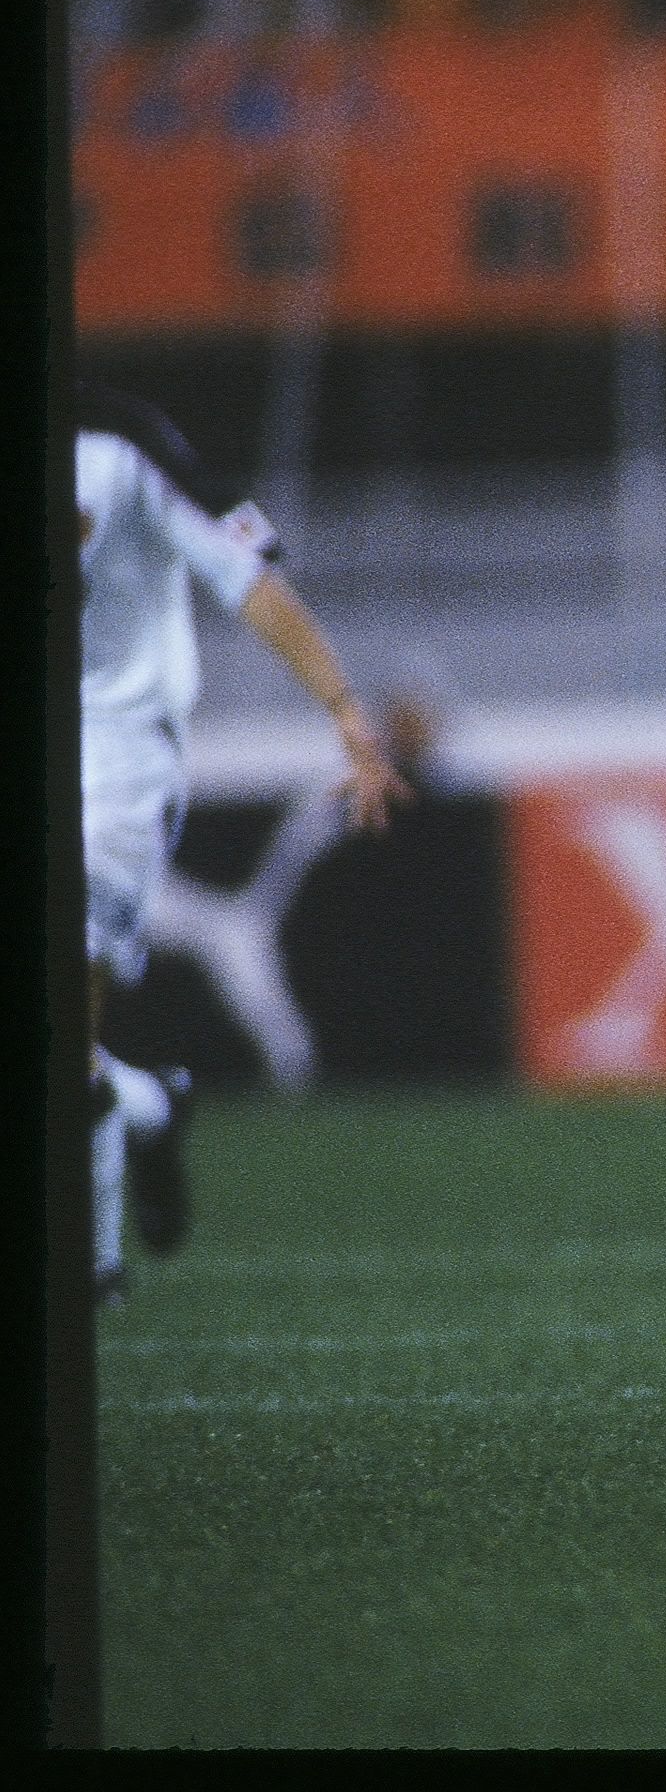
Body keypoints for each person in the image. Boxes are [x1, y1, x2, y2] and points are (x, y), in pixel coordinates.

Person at [73, 379, 409, 1302]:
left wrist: (345, 712)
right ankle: (149, 1106)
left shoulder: (124, 442)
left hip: (112, 753)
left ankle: (94, 1267)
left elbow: (248, 578)